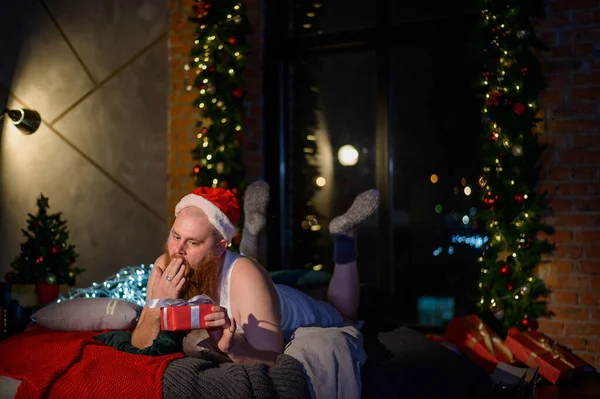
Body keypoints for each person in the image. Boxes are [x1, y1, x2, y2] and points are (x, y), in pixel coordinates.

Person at [131, 181, 379, 369]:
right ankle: (250, 235)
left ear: (219, 247)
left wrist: (234, 348)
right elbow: (138, 344)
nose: (178, 251)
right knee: (252, 274)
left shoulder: (247, 278)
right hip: (258, 292)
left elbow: (273, 358)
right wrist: (155, 307)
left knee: (343, 313)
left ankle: (344, 236)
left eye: (193, 243)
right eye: (175, 236)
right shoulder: (163, 265)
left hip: (290, 306)